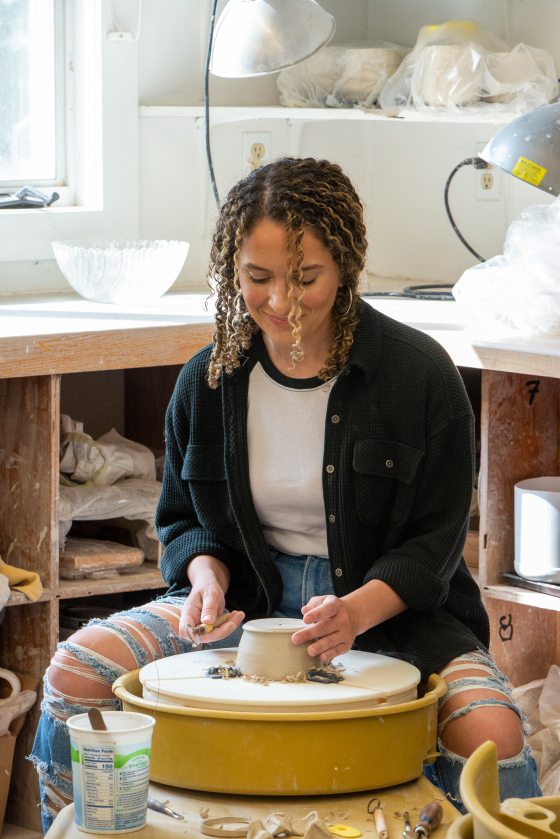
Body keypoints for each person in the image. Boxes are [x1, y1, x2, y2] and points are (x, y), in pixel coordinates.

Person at [30, 157, 540, 831]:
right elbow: (183, 520)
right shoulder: (207, 380)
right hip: (249, 607)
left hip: (392, 612)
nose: (280, 302)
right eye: (257, 278)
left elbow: (433, 547)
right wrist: (205, 580)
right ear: (231, 270)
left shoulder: (419, 376)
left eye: (306, 278)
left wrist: (355, 612)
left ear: (347, 266)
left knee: (492, 733)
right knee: (76, 671)